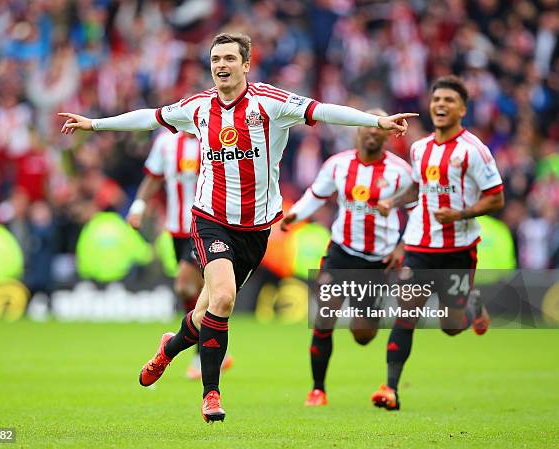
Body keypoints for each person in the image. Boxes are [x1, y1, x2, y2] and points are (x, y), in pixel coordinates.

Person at [59, 32, 417, 423]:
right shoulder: (197, 108)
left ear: (246, 64)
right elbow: (150, 117)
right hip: (210, 218)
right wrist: (93, 124)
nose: (221, 66)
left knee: (205, 313)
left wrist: (377, 120)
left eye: (230, 58)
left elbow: (325, 110)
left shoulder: (272, 103)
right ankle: (211, 394)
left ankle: (169, 348)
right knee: (224, 299)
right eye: (215, 59)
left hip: (256, 229)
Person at [370, 75, 504, 411]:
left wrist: (460, 214)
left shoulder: (474, 151)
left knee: (451, 326)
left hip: (459, 249)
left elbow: (496, 199)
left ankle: (471, 303)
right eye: (436, 100)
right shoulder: (420, 148)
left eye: (448, 100)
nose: (440, 105)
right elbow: (418, 187)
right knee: (407, 313)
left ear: (463, 109)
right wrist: (393, 201)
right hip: (419, 246)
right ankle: (391, 388)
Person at [281, 109, 414, 407]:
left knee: (363, 334)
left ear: (387, 133)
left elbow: (418, 210)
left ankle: (366, 327)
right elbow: (316, 194)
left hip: (378, 261)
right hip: (340, 252)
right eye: (365, 127)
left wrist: (402, 246)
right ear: (357, 130)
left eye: (377, 128)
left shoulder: (402, 172)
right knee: (324, 315)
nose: (371, 132)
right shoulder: (338, 164)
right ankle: (318, 390)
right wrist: (294, 215)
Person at [127, 130, 233, 380]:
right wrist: (138, 207)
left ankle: (201, 355)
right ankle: (212, 346)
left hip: (206, 227)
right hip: (176, 230)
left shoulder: (214, 137)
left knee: (185, 286)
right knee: (199, 294)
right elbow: (153, 178)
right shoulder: (165, 142)